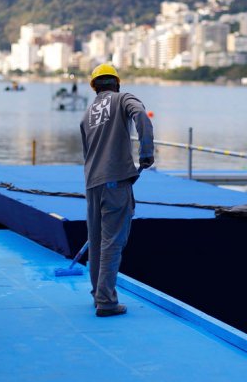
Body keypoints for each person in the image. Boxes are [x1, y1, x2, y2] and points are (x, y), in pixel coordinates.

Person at [80, 63, 153, 317]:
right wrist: (146, 153)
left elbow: (87, 152)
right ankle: (107, 302)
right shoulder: (124, 98)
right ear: (117, 83)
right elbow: (142, 116)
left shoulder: (87, 114)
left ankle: (97, 294)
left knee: (97, 242)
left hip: (92, 183)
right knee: (112, 242)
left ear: (94, 88)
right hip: (115, 182)